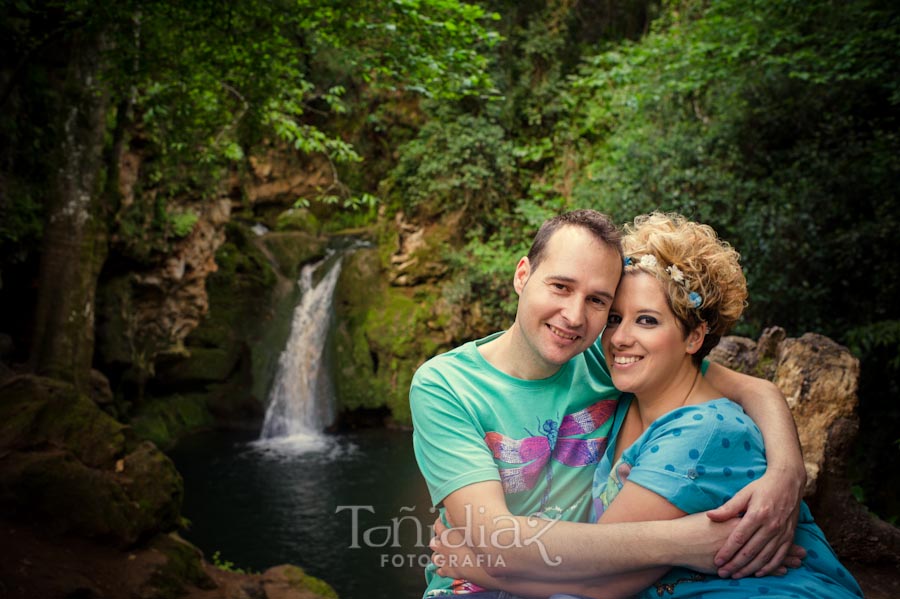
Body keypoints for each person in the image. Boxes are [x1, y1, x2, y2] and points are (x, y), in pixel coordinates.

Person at [430, 213, 862, 598]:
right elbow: (755, 388)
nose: (618, 337)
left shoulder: (696, 428)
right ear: (522, 275)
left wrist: (788, 471)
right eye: (615, 317)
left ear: (694, 338)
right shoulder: (610, 374)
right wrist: (684, 540)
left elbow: (602, 581)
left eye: (647, 320)